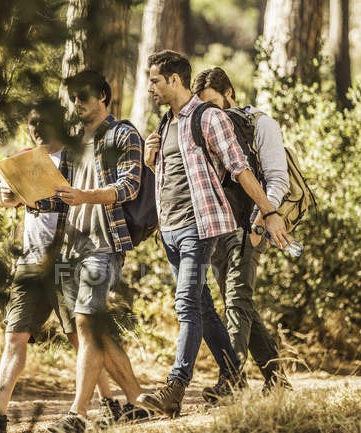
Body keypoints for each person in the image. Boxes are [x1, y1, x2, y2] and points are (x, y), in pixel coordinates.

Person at [136, 50, 292, 418]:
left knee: (188, 304)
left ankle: (175, 386)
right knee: (204, 307)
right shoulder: (164, 124)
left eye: (156, 81)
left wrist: (268, 212)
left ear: (175, 79)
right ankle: (235, 375)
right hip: (170, 229)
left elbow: (240, 170)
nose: (151, 89)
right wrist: (149, 160)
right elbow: (169, 178)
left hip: (199, 227)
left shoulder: (208, 118)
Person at [0, 100, 119, 433]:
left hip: (67, 259)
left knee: (80, 338)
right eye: (31, 124)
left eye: (42, 123)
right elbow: (9, 201)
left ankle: (109, 404)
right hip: (30, 260)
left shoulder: (77, 159)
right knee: (15, 335)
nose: (36, 129)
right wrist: (6, 193)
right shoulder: (24, 159)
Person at [45, 70, 149, 433]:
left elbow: (129, 187)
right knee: (93, 329)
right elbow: (61, 197)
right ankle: (139, 400)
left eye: (84, 97)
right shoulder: (74, 142)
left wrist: (87, 196)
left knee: (88, 322)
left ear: (103, 96)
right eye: (74, 98)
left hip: (104, 246)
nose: (78, 104)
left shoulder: (124, 134)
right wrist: (23, 199)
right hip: (72, 247)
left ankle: (78, 414)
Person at [192, 67, 293, 399]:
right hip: (218, 228)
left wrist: (262, 218)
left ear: (230, 93)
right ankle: (277, 378)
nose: (209, 113)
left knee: (236, 300)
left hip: (252, 224)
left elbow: (278, 178)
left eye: (213, 104)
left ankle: (230, 379)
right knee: (240, 302)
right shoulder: (203, 127)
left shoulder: (261, 124)